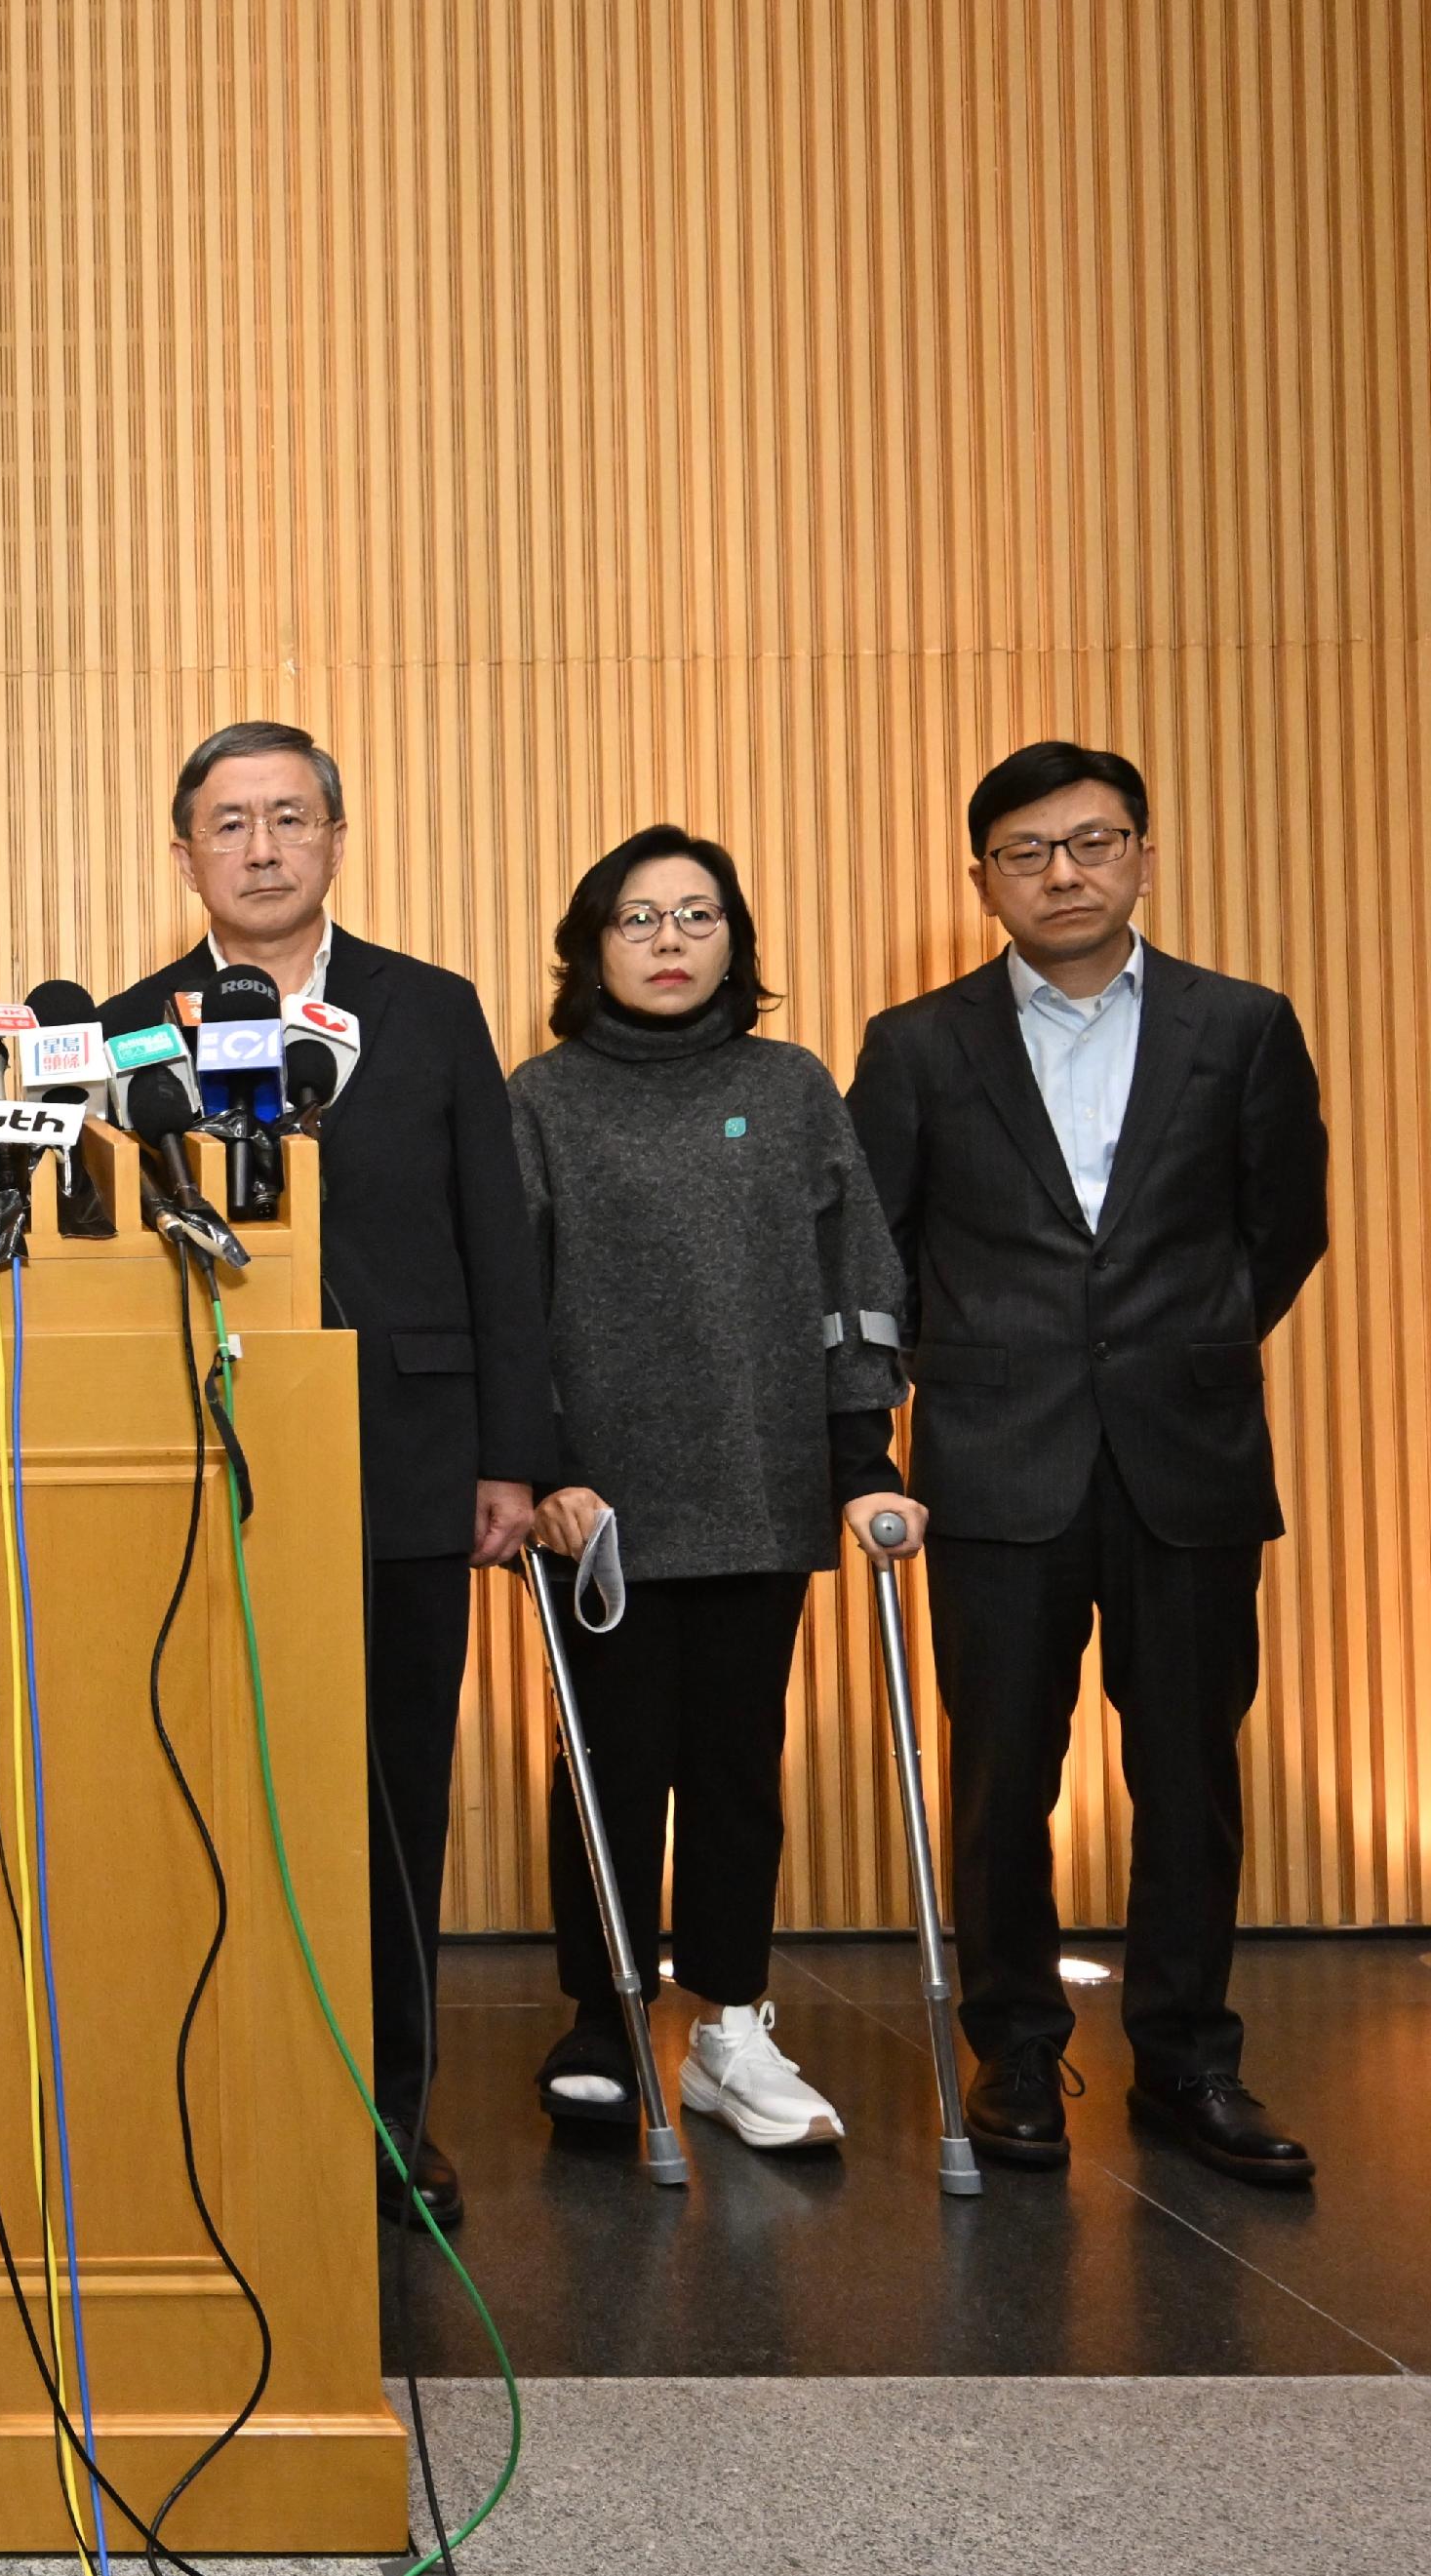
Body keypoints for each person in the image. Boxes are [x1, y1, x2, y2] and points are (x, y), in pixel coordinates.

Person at [848, 741, 1330, 2185]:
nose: (1064, 871)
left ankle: (1188, 2055)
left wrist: (1184, 1338)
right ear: (981, 876)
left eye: (1093, 840)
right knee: (1005, 1771)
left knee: (1190, 1768)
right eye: (1027, 850)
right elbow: (882, 1252)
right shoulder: (916, 1043)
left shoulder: (1241, 1024)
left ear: (1142, 854)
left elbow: (1282, 1225)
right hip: (995, 1460)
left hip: (1187, 1453)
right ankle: (1014, 2049)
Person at [100, 719, 557, 2232]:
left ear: (337, 840)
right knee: (201, 1795)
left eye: (289, 818)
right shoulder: (123, 1027)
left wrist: (511, 1456)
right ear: (185, 856)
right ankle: (221, 2102)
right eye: (227, 825)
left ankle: (387, 2111)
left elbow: (499, 1234)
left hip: (408, 1457)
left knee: (387, 1800)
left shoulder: (430, 1009)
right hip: (193, 1458)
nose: (261, 848)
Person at [505, 826, 921, 2152]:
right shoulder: (543, 1096)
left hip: (761, 1479)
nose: (671, 940)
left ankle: (731, 2018)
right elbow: (512, 1301)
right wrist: (548, 1464)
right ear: (590, 947)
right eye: (639, 918)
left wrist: (864, 1461)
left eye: (696, 914)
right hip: (603, 1507)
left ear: (735, 936)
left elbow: (853, 1274)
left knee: (739, 1766)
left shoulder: (791, 1085)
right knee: (609, 1767)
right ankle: (603, 2011)